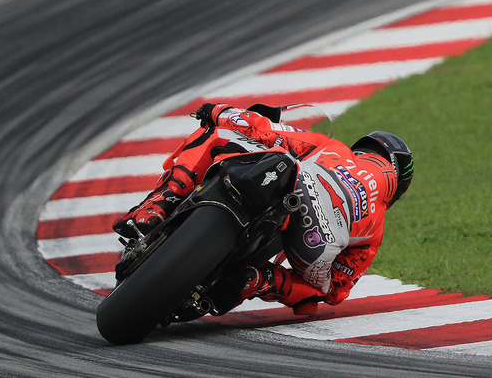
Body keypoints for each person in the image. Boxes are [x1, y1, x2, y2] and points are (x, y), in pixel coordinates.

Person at [113, 102, 413, 315]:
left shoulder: (336, 150)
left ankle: (155, 208)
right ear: (397, 188)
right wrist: (272, 283)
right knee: (323, 288)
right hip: (317, 242)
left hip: (303, 185)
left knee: (215, 136)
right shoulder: (377, 227)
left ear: (363, 149)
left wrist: (218, 111)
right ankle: (257, 281)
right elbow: (336, 290)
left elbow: (266, 131)